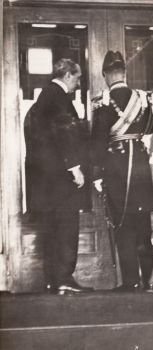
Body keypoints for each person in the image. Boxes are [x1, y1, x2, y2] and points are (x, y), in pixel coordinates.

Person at [25, 58, 92, 294]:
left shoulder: (44, 97)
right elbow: (64, 132)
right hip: (60, 179)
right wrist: (75, 168)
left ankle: (54, 279)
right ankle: (63, 277)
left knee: (53, 228)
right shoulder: (58, 98)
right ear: (67, 75)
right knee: (66, 226)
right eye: (77, 77)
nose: (79, 82)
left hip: (46, 181)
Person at [91, 51, 153, 292]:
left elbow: (97, 141)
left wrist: (97, 176)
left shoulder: (104, 101)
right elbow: (151, 127)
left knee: (122, 225)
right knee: (143, 224)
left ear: (105, 75)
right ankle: (150, 281)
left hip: (115, 169)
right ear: (125, 73)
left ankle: (131, 282)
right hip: (140, 167)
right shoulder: (142, 98)